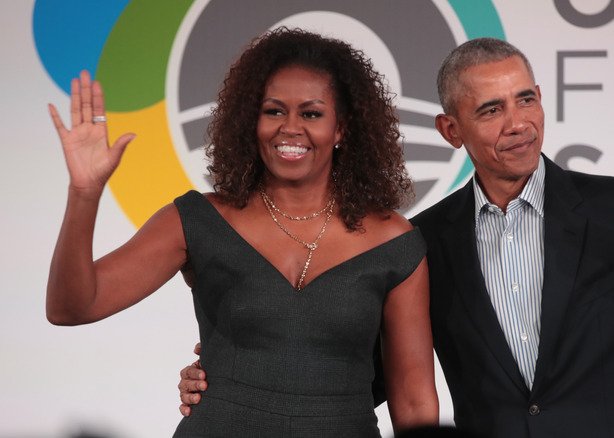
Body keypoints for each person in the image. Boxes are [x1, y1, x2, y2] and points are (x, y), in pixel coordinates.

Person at [179, 37, 614, 437]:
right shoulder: (423, 242)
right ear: (451, 129)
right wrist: (233, 374)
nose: (518, 123)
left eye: (527, 99)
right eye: (491, 110)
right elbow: (366, 378)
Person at [46, 28, 438, 437]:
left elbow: (413, 398)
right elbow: (72, 306)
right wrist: (84, 193)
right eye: (273, 111)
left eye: (311, 113)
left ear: (342, 128)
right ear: (251, 120)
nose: (290, 128)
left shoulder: (393, 241)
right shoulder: (199, 219)